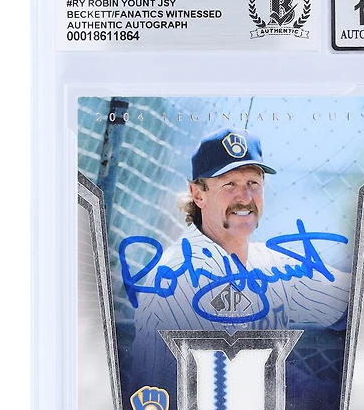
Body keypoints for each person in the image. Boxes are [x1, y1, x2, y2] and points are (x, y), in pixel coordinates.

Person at [120, 127, 351, 377]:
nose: (244, 197)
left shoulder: (272, 264)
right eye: (229, 184)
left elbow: (359, 300)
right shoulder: (175, 278)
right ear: (198, 195)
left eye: (253, 183)